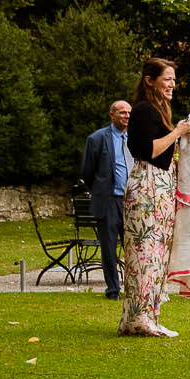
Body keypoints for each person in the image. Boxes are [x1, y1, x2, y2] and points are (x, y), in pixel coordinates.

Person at [118, 58, 190, 337]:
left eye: (174, 80)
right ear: (149, 80)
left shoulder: (158, 111)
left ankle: (148, 316)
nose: (172, 85)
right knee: (145, 253)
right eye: (167, 79)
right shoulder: (143, 110)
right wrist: (177, 132)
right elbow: (148, 149)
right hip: (147, 187)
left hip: (160, 188)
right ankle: (138, 318)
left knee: (158, 255)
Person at [79, 100, 130, 300]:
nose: (126, 116)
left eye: (129, 112)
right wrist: (101, 190)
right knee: (109, 248)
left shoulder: (136, 139)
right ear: (112, 115)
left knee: (135, 247)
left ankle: (135, 288)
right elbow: (87, 172)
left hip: (131, 202)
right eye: (122, 112)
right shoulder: (97, 139)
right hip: (108, 200)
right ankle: (113, 290)